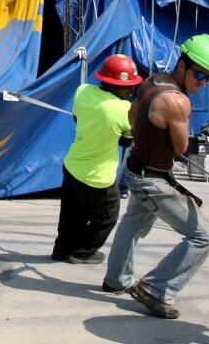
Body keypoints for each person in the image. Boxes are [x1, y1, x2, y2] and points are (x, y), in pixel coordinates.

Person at [102, 34, 209, 319]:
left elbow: (132, 116)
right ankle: (156, 290)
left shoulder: (151, 82)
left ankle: (117, 279)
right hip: (153, 181)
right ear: (183, 64)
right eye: (200, 74)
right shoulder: (177, 102)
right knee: (203, 237)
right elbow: (181, 148)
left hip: (136, 169)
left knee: (131, 226)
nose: (203, 82)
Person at [52, 54, 143, 264]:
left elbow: (76, 117)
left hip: (73, 165)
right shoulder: (123, 110)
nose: (131, 90)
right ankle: (83, 252)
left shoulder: (83, 92)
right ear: (111, 84)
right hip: (97, 177)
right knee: (107, 215)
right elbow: (126, 141)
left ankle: (61, 250)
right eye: (127, 86)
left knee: (71, 213)